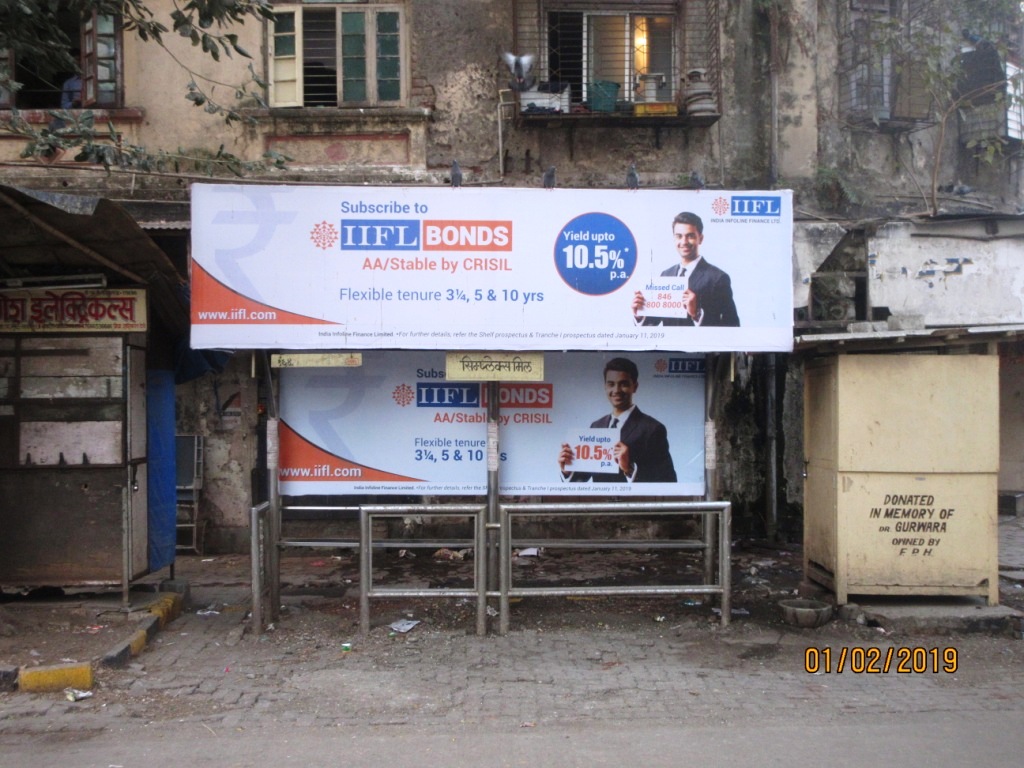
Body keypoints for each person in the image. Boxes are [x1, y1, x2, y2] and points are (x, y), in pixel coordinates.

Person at [558, 357, 676, 483]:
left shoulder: (653, 429)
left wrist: (629, 469)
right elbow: (582, 478)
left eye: (623, 384)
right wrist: (567, 470)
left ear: (634, 386)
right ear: (605, 387)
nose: (616, 390)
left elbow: (668, 481)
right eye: (611, 384)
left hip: (632, 502)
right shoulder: (596, 426)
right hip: (600, 501)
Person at [632, 211, 739, 327]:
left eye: (690, 236)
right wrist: (640, 315)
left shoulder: (718, 278)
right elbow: (653, 324)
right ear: (674, 238)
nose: (684, 242)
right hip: (669, 345)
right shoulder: (666, 275)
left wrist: (696, 314)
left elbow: (732, 326)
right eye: (679, 236)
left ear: (700, 238)